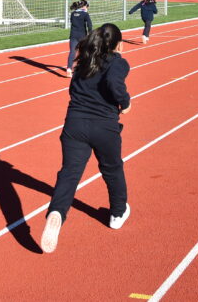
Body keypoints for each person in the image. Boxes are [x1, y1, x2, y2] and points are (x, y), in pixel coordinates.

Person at [41, 24, 132, 253]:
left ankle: (57, 213)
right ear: (117, 44)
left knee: (70, 173)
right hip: (104, 126)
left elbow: (72, 90)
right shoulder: (118, 62)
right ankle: (117, 213)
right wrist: (126, 102)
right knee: (112, 169)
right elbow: (114, 83)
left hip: (75, 124)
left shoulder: (84, 61)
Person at [66, 0, 92, 77]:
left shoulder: (73, 14)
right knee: (84, 52)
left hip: (73, 35)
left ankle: (69, 69)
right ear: (84, 6)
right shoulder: (85, 14)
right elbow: (89, 25)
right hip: (82, 36)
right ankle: (83, 69)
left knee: (72, 52)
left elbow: (72, 22)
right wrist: (90, 33)